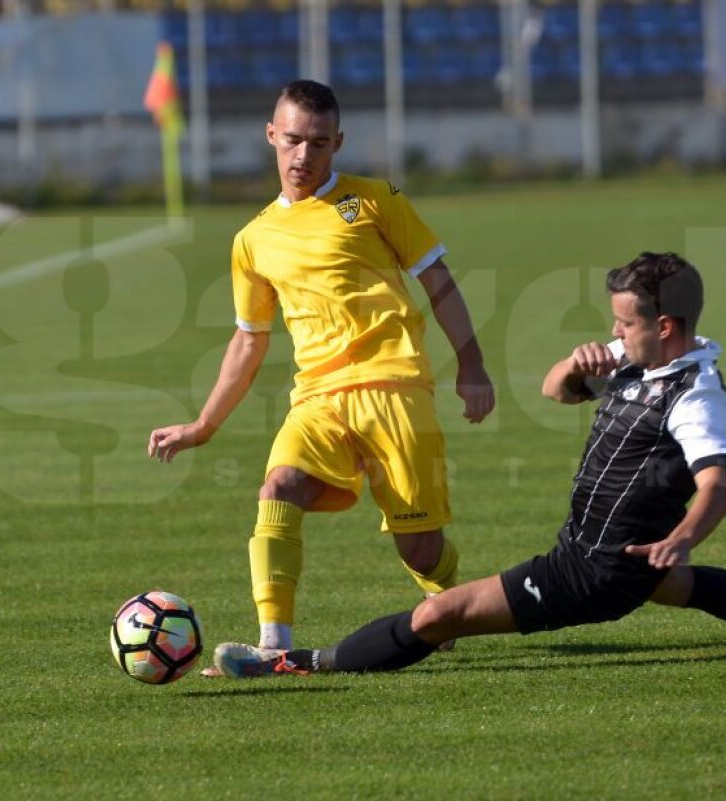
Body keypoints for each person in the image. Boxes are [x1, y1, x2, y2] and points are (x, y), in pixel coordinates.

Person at [210, 251, 726, 679]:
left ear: (666, 323)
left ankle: (291, 663)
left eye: (625, 322)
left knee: (439, 616)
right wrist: (575, 367)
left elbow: (717, 488)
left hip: (588, 570)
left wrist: (680, 538)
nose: (614, 330)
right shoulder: (642, 363)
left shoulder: (693, 396)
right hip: (615, 554)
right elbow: (554, 391)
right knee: (686, 588)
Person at [148, 80, 495, 663]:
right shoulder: (253, 239)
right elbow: (248, 338)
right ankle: (273, 648)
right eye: (292, 140)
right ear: (270, 136)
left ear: (338, 142)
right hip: (317, 398)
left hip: (394, 387)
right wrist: (204, 425)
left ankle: (448, 597)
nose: (303, 156)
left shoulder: (375, 199)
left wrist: (473, 365)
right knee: (277, 489)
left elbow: (438, 280)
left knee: (419, 548)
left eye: (318, 143)